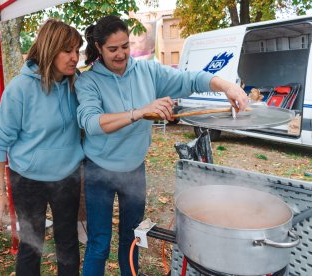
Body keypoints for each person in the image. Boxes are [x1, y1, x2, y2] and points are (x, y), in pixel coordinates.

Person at [75, 15, 248, 276]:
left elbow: (190, 80)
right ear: (98, 48)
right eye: (113, 49)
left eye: (125, 46)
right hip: (98, 171)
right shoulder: (88, 81)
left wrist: (225, 86)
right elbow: (91, 123)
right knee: (99, 243)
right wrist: (141, 111)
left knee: (132, 239)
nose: (121, 54)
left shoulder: (148, 71)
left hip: (134, 169)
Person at [0, 19, 84, 276]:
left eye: (77, 50)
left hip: (68, 176)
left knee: (68, 244)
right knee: (31, 247)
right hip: (28, 180)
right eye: (68, 51)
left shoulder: (77, 84)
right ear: (50, 49)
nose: (75, 57)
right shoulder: (21, 88)